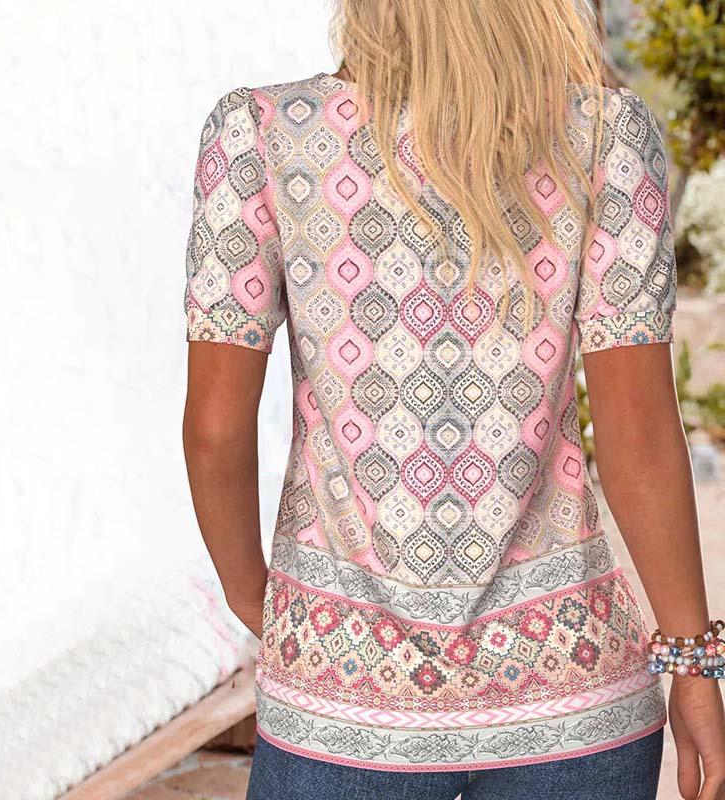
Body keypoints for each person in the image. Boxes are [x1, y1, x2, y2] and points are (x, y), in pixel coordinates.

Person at [181, 1, 725, 798]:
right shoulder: (606, 134)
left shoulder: (259, 135)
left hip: (341, 701)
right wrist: (694, 663)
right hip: (572, 689)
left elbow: (214, 429)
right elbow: (638, 432)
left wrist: (255, 598)